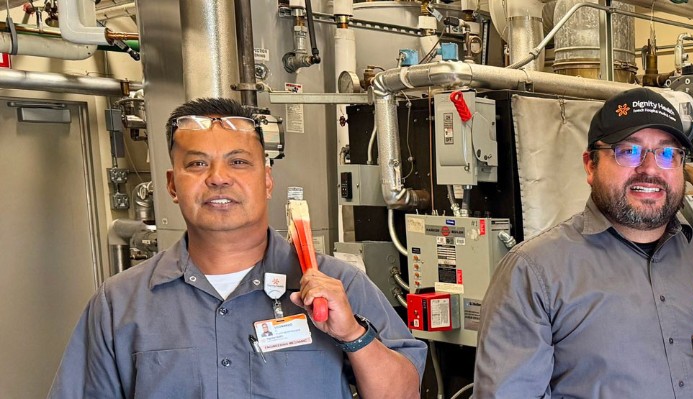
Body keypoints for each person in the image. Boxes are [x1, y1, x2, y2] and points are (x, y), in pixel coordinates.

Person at [49, 98, 426, 398]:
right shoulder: (120, 304)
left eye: (238, 162)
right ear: (172, 184)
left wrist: (353, 335)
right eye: (197, 164)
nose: (218, 178)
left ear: (266, 180)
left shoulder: (338, 285)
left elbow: (404, 395)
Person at [471, 88, 693, 398]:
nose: (650, 169)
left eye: (667, 153)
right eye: (628, 151)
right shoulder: (535, 272)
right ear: (591, 165)